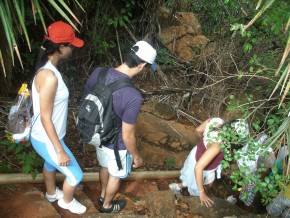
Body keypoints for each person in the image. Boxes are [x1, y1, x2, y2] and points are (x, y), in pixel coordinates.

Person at [84, 41, 157, 213]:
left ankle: (102, 195)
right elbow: (127, 136)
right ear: (141, 65)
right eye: (146, 67)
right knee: (115, 174)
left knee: (104, 166)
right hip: (115, 143)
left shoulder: (98, 72)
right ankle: (107, 205)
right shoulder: (133, 96)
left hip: (95, 134)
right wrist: (136, 157)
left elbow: (87, 99)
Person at [30, 21, 86, 214]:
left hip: (47, 136)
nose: (72, 49)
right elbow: (46, 117)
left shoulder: (48, 68)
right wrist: (60, 150)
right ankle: (66, 202)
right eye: (70, 45)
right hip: (46, 139)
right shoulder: (49, 77)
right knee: (75, 176)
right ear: (61, 47)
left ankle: (52, 193)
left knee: (49, 164)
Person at [169, 117, 249, 207]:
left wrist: (205, 144)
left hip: (196, 154)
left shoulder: (216, 121)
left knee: (200, 179)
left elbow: (198, 130)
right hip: (202, 166)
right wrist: (202, 192)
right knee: (198, 185)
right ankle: (191, 198)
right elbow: (198, 168)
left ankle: (177, 186)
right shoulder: (218, 145)